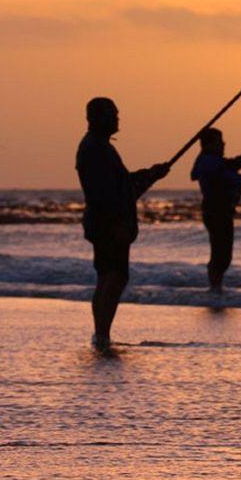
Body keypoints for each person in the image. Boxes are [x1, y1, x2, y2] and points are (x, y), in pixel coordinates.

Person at [76, 97, 170, 351]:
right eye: (113, 114)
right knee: (114, 277)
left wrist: (151, 174)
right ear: (100, 117)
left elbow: (122, 185)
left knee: (107, 276)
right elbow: (107, 193)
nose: (118, 119)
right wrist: (116, 224)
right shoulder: (96, 149)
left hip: (103, 223)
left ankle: (101, 334)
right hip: (109, 225)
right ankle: (102, 335)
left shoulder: (98, 147)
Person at [190, 128, 241, 293]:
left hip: (220, 212)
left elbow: (234, 164)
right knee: (221, 255)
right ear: (209, 145)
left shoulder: (212, 161)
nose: (223, 144)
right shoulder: (208, 162)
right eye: (219, 141)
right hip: (216, 213)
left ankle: (216, 287)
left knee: (223, 254)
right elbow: (229, 175)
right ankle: (214, 288)